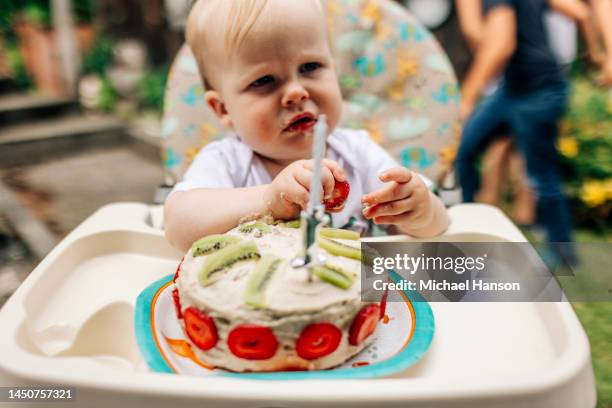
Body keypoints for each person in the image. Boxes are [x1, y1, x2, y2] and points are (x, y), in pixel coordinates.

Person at [164, 0, 450, 251]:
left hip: (362, 299)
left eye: (310, 67)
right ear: (223, 108)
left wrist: (421, 211)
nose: (296, 92)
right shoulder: (227, 161)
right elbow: (178, 225)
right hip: (255, 306)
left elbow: (436, 226)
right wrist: (266, 198)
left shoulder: (358, 153)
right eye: (263, 81)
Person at [454, 0, 597, 245]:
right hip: (512, 90)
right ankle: (466, 226)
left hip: (539, 92)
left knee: (541, 174)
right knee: (465, 150)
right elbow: (581, 13)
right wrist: (595, 53)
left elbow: (501, 45)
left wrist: (466, 99)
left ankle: (562, 251)